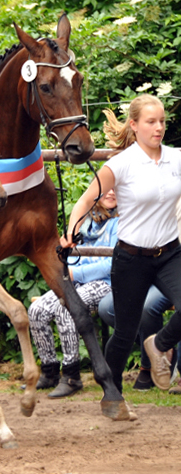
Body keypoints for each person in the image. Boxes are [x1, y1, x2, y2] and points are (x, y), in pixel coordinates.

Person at [61, 94, 181, 395]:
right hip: (131, 259)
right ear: (134, 125)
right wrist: (70, 232)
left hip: (169, 254)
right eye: (151, 122)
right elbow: (86, 200)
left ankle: (159, 345)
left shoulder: (176, 159)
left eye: (162, 122)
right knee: (125, 333)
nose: (158, 128)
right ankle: (111, 391)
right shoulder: (121, 164)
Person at [28, 189, 118, 398]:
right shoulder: (86, 221)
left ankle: (71, 375)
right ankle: (49, 370)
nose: (112, 193)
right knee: (37, 310)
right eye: (107, 189)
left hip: (104, 283)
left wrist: (75, 272)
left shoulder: (121, 223)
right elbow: (73, 254)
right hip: (78, 280)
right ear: (97, 193)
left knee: (66, 309)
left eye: (116, 189)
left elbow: (111, 264)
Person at [98, 286, 174, 390]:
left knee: (147, 307)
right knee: (107, 308)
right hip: (142, 278)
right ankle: (161, 348)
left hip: (169, 278)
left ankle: (148, 366)